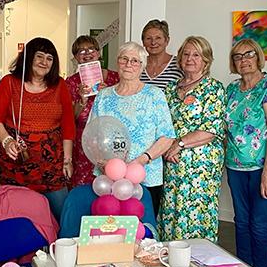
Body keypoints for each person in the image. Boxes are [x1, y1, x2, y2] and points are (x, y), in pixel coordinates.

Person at [0, 38, 74, 220]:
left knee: (63, 213)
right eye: (39, 56)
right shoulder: (9, 82)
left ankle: (59, 247)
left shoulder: (59, 85)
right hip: (16, 160)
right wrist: (6, 140)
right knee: (18, 216)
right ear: (28, 58)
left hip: (51, 162)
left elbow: (68, 124)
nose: (44, 62)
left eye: (50, 58)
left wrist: (67, 160)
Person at [88, 42, 175, 216]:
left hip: (146, 175)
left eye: (135, 61)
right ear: (117, 62)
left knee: (144, 226)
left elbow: (167, 137)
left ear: (142, 66)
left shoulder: (154, 94)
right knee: (109, 225)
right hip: (108, 176)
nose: (129, 64)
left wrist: (142, 160)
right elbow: (91, 134)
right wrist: (101, 161)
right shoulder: (103, 96)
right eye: (124, 59)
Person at [159, 36, 225, 241]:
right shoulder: (170, 88)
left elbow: (211, 128)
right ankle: (169, 257)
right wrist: (167, 148)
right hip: (172, 160)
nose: (190, 58)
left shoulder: (214, 88)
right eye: (186, 54)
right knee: (171, 208)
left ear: (206, 60)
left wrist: (179, 144)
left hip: (200, 165)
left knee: (196, 214)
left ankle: (199, 261)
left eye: (196, 54)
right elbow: (161, 123)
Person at [224, 39, 267, 267]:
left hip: (260, 167)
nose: (243, 60)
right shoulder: (231, 89)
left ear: (258, 57)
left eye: (248, 54)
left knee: (260, 225)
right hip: (234, 166)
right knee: (241, 222)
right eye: (238, 56)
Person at [67, 35, 119, 187]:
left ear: (99, 53)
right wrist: (82, 100)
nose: (87, 54)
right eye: (81, 51)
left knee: (109, 184)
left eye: (91, 49)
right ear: (76, 58)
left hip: (109, 142)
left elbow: (123, 111)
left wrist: (108, 94)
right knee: (83, 187)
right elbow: (70, 118)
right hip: (82, 144)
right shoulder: (71, 82)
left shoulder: (115, 78)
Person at [139, 19, 183, 91]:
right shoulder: (137, 65)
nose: (153, 42)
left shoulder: (179, 64)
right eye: (148, 38)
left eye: (158, 38)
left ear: (167, 40)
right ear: (143, 42)